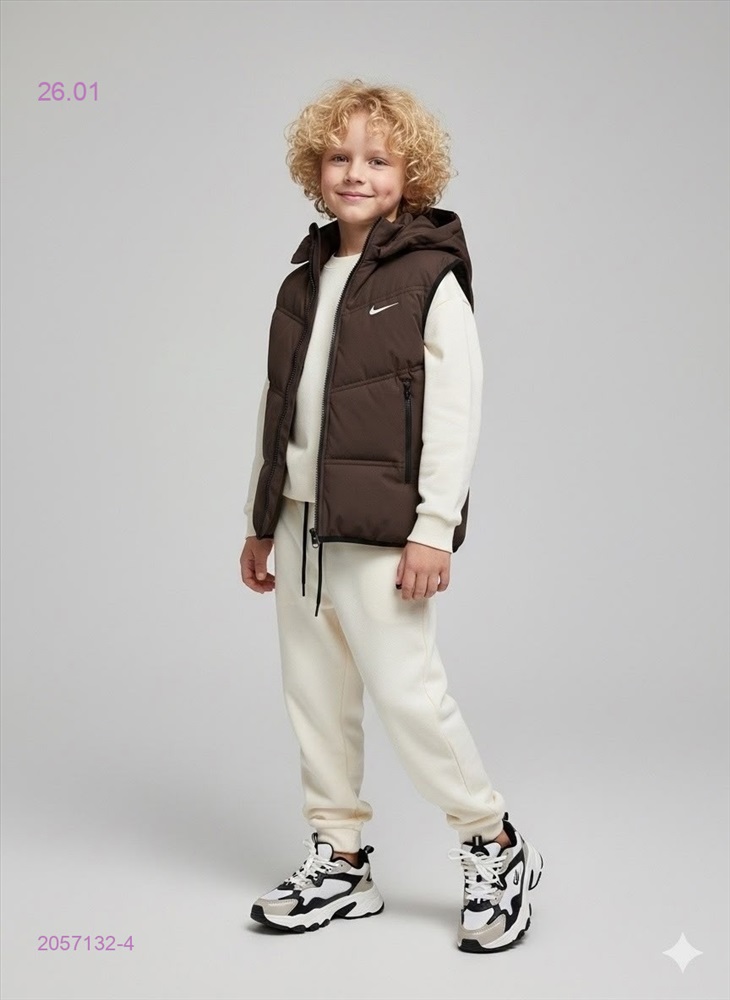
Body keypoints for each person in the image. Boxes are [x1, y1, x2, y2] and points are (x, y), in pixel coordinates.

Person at [239, 78, 544, 953]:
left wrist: (433, 528)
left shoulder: (427, 278)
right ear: (314, 170)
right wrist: (259, 518)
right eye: (339, 157)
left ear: (411, 175)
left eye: (377, 159)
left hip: (380, 528)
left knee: (409, 695)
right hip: (300, 521)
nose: (356, 173)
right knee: (315, 695)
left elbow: (455, 411)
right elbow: (277, 406)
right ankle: (340, 859)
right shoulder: (300, 284)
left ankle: (494, 843)